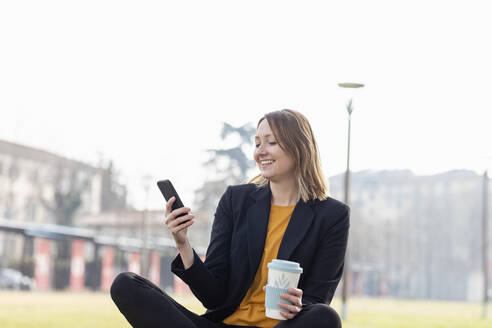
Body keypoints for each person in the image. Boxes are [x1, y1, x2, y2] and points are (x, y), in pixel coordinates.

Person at [110, 109, 350, 328]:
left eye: (271, 142)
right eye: (257, 143)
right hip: (222, 325)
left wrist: (298, 305)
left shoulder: (332, 216)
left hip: (282, 327)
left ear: (300, 148)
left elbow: (317, 299)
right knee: (126, 285)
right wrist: (183, 244)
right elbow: (213, 298)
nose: (260, 151)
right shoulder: (236, 200)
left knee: (325, 317)